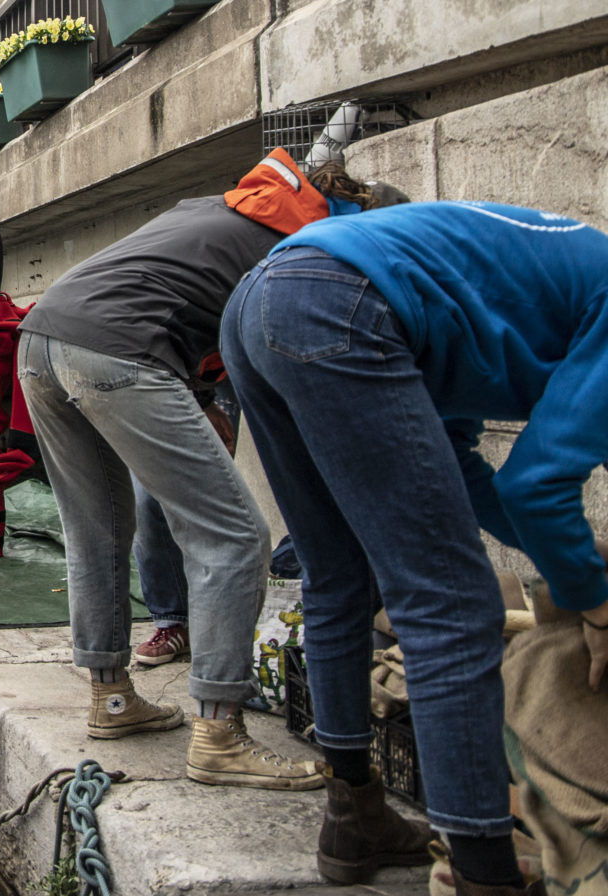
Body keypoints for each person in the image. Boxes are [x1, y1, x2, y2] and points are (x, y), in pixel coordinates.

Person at [223, 201, 608, 891]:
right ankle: (483, 875)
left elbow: (465, 467)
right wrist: (593, 600)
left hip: (262, 303)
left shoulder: (527, 294)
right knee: (454, 608)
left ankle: (354, 815)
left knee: (338, 575)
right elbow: (538, 486)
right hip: (332, 300)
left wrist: (572, 569)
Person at [16, 149, 400, 791]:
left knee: (99, 533)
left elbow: (174, 294)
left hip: (43, 339)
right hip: (117, 351)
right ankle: (220, 735)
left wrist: (199, 398)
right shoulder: (317, 250)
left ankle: (111, 700)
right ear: (363, 220)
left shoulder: (223, 210)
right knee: (236, 537)